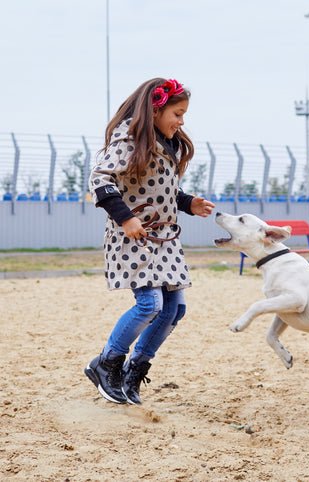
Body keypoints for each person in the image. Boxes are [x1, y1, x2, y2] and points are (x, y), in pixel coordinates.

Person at [84, 77, 215, 405]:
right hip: (133, 237)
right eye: (178, 113)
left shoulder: (166, 143)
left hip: (164, 239)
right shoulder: (130, 138)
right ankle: (106, 363)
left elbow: (160, 189)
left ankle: (134, 369)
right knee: (150, 305)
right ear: (156, 109)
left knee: (176, 308)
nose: (182, 121)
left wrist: (188, 203)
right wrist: (125, 218)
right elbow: (100, 178)